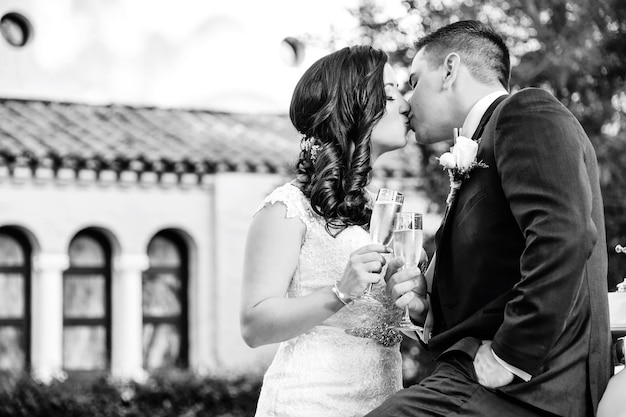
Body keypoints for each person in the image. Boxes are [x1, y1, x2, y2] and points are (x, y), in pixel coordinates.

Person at [366, 20, 612, 417]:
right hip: (472, 377)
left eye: (413, 82)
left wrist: (509, 356)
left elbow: (563, 235)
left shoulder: (525, 111)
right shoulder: (481, 144)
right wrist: (426, 306)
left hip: (530, 388)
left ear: (449, 69)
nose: (407, 102)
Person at [240, 45, 412, 417]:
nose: (405, 104)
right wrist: (340, 291)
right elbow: (254, 325)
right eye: (391, 92)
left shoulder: (380, 209)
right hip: (310, 402)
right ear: (356, 105)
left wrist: (412, 297)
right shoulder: (287, 208)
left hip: (383, 403)